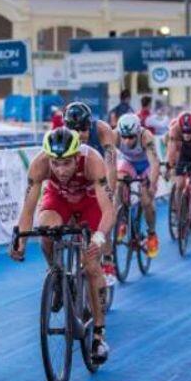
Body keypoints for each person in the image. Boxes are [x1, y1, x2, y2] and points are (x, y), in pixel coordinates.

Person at [9, 128, 115, 363]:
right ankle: (56, 274)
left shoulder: (93, 162)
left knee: (91, 264)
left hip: (90, 203)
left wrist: (99, 237)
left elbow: (109, 209)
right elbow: (27, 209)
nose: (60, 170)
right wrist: (21, 240)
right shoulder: (39, 164)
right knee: (46, 230)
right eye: (55, 164)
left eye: (66, 163)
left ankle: (98, 333)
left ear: (77, 157)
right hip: (59, 199)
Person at [62, 101, 119, 282]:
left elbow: (111, 165)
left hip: (99, 177)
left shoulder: (102, 130)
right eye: (75, 131)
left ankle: (108, 260)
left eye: (84, 130)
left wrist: (109, 192)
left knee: (106, 215)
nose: (80, 136)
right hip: (78, 179)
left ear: (90, 125)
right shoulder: (61, 135)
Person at [114, 113, 162, 258]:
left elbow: (154, 163)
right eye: (124, 137)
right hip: (128, 163)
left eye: (131, 137)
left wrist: (152, 185)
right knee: (119, 183)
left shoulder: (146, 137)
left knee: (146, 200)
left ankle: (152, 234)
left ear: (138, 132)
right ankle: (122, 220)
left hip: (146, 165)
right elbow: (108, 161)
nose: (127, 141)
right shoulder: (115, 136)